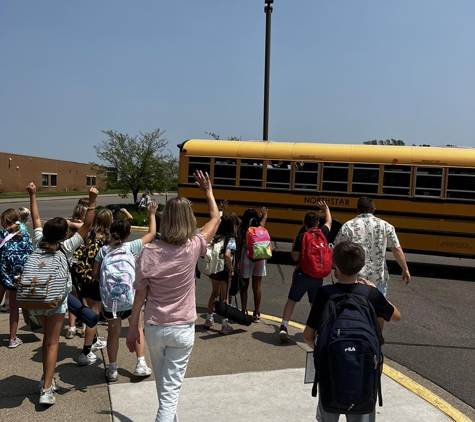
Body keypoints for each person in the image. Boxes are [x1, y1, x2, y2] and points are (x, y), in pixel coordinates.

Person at [125, 170, 220, 422]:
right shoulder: (193, 246)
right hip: (182, 328)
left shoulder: (147, 252)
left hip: (155, 327)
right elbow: (215, 218)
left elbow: (139, 296)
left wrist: (133, 328)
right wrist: (208, 192)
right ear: (188, 221)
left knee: (164, 388)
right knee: (169, 391)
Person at [303, 241, 401, 422]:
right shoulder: (370, 295)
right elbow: (396, 316)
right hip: (364, 371)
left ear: (334, 264)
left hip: (330, 372)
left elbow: (308, 336)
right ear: (363, 265)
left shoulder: (325, 294)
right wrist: (374, 290)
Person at [27, 183, 98, 405]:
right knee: (52, 343)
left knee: (48, 340)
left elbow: (35, 220)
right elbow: (87, 225)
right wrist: (92, 200)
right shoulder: (66, 247)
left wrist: (33, 195)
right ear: (65, 234)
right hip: (57, 301)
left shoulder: (37, 242)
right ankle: (46, 388)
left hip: (37, 298)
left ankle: (46, 379)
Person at [92, 201, 158, 382]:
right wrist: (151, 214)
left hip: (111, 301)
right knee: (136, 328)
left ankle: (112, 369)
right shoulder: (131, 247)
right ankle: (140, 364)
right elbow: (152, 234)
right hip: (130, 298)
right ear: (129, 233)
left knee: (113, 331)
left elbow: (95, 274)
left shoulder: (103, 250)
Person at [333, 196, 410, 298]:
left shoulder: (348, 226)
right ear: (374, 210)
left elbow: (337, 250)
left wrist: (337, 268)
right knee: (377, 310)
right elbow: (396, 249)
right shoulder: (386, 226)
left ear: (357, 210)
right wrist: (405, 269)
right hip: (378, 279)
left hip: (354, 278)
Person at [279, 201, 331, 342]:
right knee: (314, 305)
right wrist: (326, 209)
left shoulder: (302, 236)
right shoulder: (323, 234)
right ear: (317, 224)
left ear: (304, 223)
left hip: (303, 275)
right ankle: (317, 330)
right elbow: (329, 222)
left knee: (291, 301)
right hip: (317, 277)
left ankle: (284, 326)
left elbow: (295, 257)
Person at [73, 209, 113, 365]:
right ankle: (86, 351)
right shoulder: (106, 239)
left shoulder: (87, 235)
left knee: (88, 309)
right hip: (96, 280)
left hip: (83, 279)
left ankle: (94, 340)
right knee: (94, 315)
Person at [0, 208, 34, 347]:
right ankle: (12, 338)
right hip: (16, 277)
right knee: (14, 308)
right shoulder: (24, 235)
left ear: (5, 220)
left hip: (2, 274)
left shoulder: (2, 235)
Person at [203, 213, 239, 334]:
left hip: (214, 269)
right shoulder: (231, 239)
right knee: (224, 297)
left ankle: (208, 319)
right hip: (224, 271)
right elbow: (228, 254)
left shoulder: (215, 237)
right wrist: (231, 269)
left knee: (214, 293)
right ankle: (224, 325)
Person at [236, 207, 268, 322]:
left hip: (246, 258)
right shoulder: (260, 228)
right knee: (257, 286)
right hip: (260, 258)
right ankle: (257, 313)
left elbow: (239, 249)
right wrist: (264, 215)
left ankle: (244, 311)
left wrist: (235, 265)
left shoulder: (242, 230)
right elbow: (263, 222)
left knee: (244, 286)